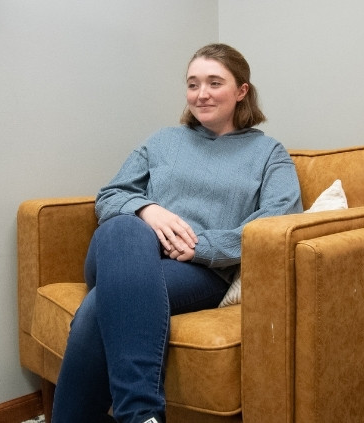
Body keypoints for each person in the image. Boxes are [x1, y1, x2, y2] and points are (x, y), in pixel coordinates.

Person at [51, 43, 303, 423]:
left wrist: (201, 246)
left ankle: (135, 416)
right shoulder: (162, 141)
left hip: (198, 270)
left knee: (96, 306)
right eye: (193, 84)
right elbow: (110, 196)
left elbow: (278, 220)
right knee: (123, 227)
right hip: (125, 250)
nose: (201, 94)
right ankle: (141, 414)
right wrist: (148, 209)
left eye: (214, 82)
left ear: (241, 91)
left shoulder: (268, 153)